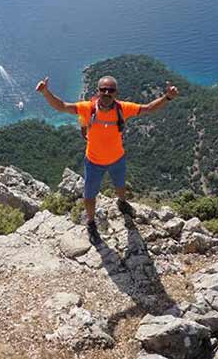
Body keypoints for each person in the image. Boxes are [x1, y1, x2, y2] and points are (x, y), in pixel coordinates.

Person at [35, 75, 179, 243]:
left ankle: (122, 202)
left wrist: (167, 97)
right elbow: (62, 106)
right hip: (93, 162)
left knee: (120, 185)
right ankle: (91, 222)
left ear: (115, 92)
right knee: (89, 195)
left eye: (110, 90)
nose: (106, 93)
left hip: (117, 158)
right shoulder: (88, 108)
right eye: (103, 90)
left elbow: (147, 108)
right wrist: (46, 92)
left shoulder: (122, 108)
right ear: (98, 91)